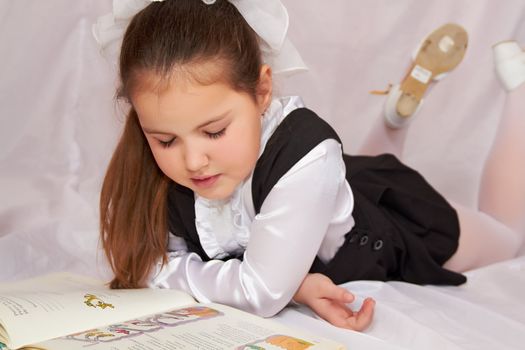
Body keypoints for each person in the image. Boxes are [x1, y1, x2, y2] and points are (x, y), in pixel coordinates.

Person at [93, 0, 525, 332]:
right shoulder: (171, 160)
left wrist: (270, 284)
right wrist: (293, 285)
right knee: (339, 181)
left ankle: (519, 89)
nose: (192, 160)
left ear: (263, 91)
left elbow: (258, 292)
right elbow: (144, 264)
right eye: (165, 140)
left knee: (506, 238)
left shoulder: (305, 154)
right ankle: (395, 115)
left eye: (214, 132)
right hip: (322, 191)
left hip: (388, 224)